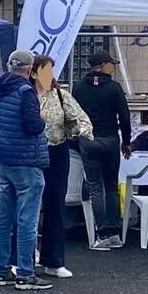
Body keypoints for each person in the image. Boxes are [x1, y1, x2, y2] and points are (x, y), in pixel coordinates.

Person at [0, 49, 50, 290]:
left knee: (4, 217)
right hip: (27, 161)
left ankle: (0, 270)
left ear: (8, 65)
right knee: (27, 219)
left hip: (2, 160)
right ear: (29, 69)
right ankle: (25, 274)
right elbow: (33, 126)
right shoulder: (25, 90)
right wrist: (43, 117)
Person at [31, 55, 92, 278]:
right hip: (30, 154)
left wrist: (81, 129)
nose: (50, 76)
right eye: (45, 71)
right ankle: (24, 258)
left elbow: (81, 118)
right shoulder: (25, 95)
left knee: (55, 205)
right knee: (28, 207)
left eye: (52, 71)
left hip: (57, 151)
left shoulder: (60, 95)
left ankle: (54, 260)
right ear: (33, 73)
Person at [72, 50, 132, 248]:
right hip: (110, 138)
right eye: (111, 64)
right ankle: (115, 232)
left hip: (88, 139)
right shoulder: (115, 88)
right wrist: (127, 141)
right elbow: (124, 116)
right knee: (111, 186)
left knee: (95, 186)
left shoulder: (79, 87)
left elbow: (73, 115)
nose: (113, 67)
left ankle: (102, 233)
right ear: (104, 65)